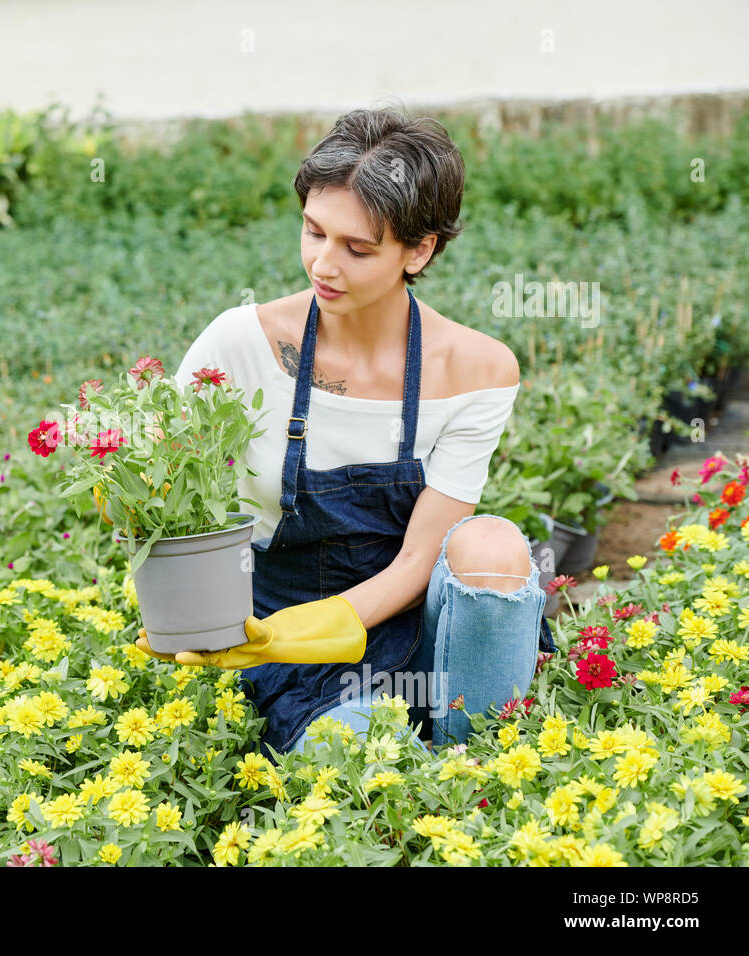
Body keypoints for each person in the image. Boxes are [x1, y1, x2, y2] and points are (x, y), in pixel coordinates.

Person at [124, 107, 557, 760]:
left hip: (412, 624)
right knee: (365, 753)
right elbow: (165, 501)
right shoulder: (242, 344)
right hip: (282, 642)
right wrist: (136, 512)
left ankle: (477, 772)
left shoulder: (476, 369)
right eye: (313, 231)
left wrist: (329, 622)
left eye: (357, 249)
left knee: (492, 544)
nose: (323, 265)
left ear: (420, 250)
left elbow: (419, 560)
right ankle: (410, 761)